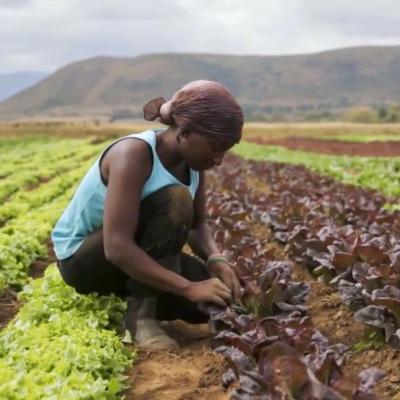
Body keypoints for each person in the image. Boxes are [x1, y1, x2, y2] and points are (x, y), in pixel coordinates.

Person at [51, 80, 244, 351]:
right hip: (84, 259)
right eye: (215, 147)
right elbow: (117, 247)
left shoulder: (193, 165)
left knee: (215, 298)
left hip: (132, 254)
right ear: (185, 132)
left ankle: (141, 294)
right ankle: (140, 319)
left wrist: (216, 259)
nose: (219, 159)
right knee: (176, 200)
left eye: (226, 149)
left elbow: (198, 225)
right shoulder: (133, 154)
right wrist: (186, 287)